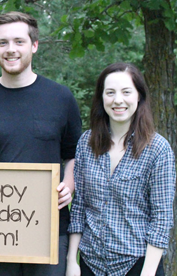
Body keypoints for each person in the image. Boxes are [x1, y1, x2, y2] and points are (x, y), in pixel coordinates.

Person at [0, 11, 82, 276]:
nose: (10, 49)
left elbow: (73, 155)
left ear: (34, 46)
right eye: (2, 43)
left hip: (49, 228)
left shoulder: (61, 98)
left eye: (18, 41)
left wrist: (68, 187)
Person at [66, 62, 176, 276]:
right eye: (110, 93)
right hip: (91, 264)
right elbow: (79, 207)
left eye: (126, 92)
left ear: (139, 96)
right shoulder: (85, 144)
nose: (118, 100)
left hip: (138, 265)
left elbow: (161, 218)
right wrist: (72, 261)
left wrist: (148, 272)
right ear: (101, 98)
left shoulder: (158, 149)